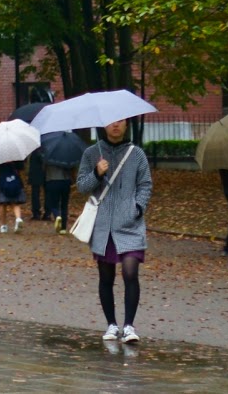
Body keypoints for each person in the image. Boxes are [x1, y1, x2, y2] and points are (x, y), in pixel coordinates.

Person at [76, 119, 153, 344]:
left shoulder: (136, 154)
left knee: (130, 273)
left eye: (120, 121)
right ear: (103, 125)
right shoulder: (92, 153)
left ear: (127, 124)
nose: (115, 125)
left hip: (130, 224)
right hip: (103, 226)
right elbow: (81, 185)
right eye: (111, 122)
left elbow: (145, 184)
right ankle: (111, 324)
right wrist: (97, 173)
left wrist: (137, 207)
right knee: (106, 276)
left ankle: (129, 325)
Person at [45, 148, 75, 233]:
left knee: (53, 203)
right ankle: (63, 228)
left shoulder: (48, 154)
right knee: (64, 204)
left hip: (52, 180)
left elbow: (43, 167)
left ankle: (57, 215)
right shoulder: (67, 155)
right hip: (65, 181)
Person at [0, 159, 26, 233]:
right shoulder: (16, 156)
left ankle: (3, 226)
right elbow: (21, 167)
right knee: (16, 203)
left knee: (3, 204)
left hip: (3, 182)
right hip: (15, 182)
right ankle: (18, 218)